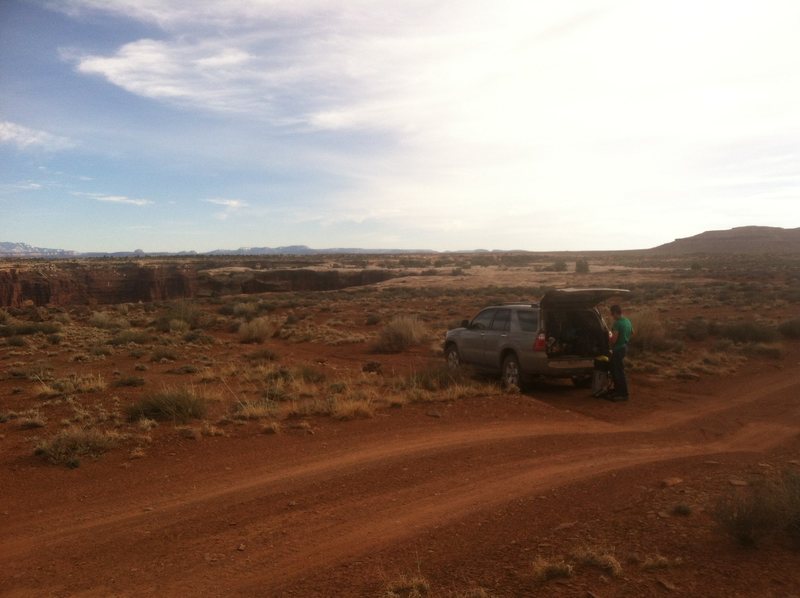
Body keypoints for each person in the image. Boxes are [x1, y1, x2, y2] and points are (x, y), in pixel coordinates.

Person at [606, 304, 633, 401]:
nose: (612, 317)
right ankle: (618, 390)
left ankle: (622, 394)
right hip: (624, 347)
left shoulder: (617, 323)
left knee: (617, 372)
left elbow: (613, 340)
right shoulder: (627, 321)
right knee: (619, 370)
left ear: (615, 313)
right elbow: (632, 333)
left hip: (617, 349)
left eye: (612, 314)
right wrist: (624, 339)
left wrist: (609, 336)